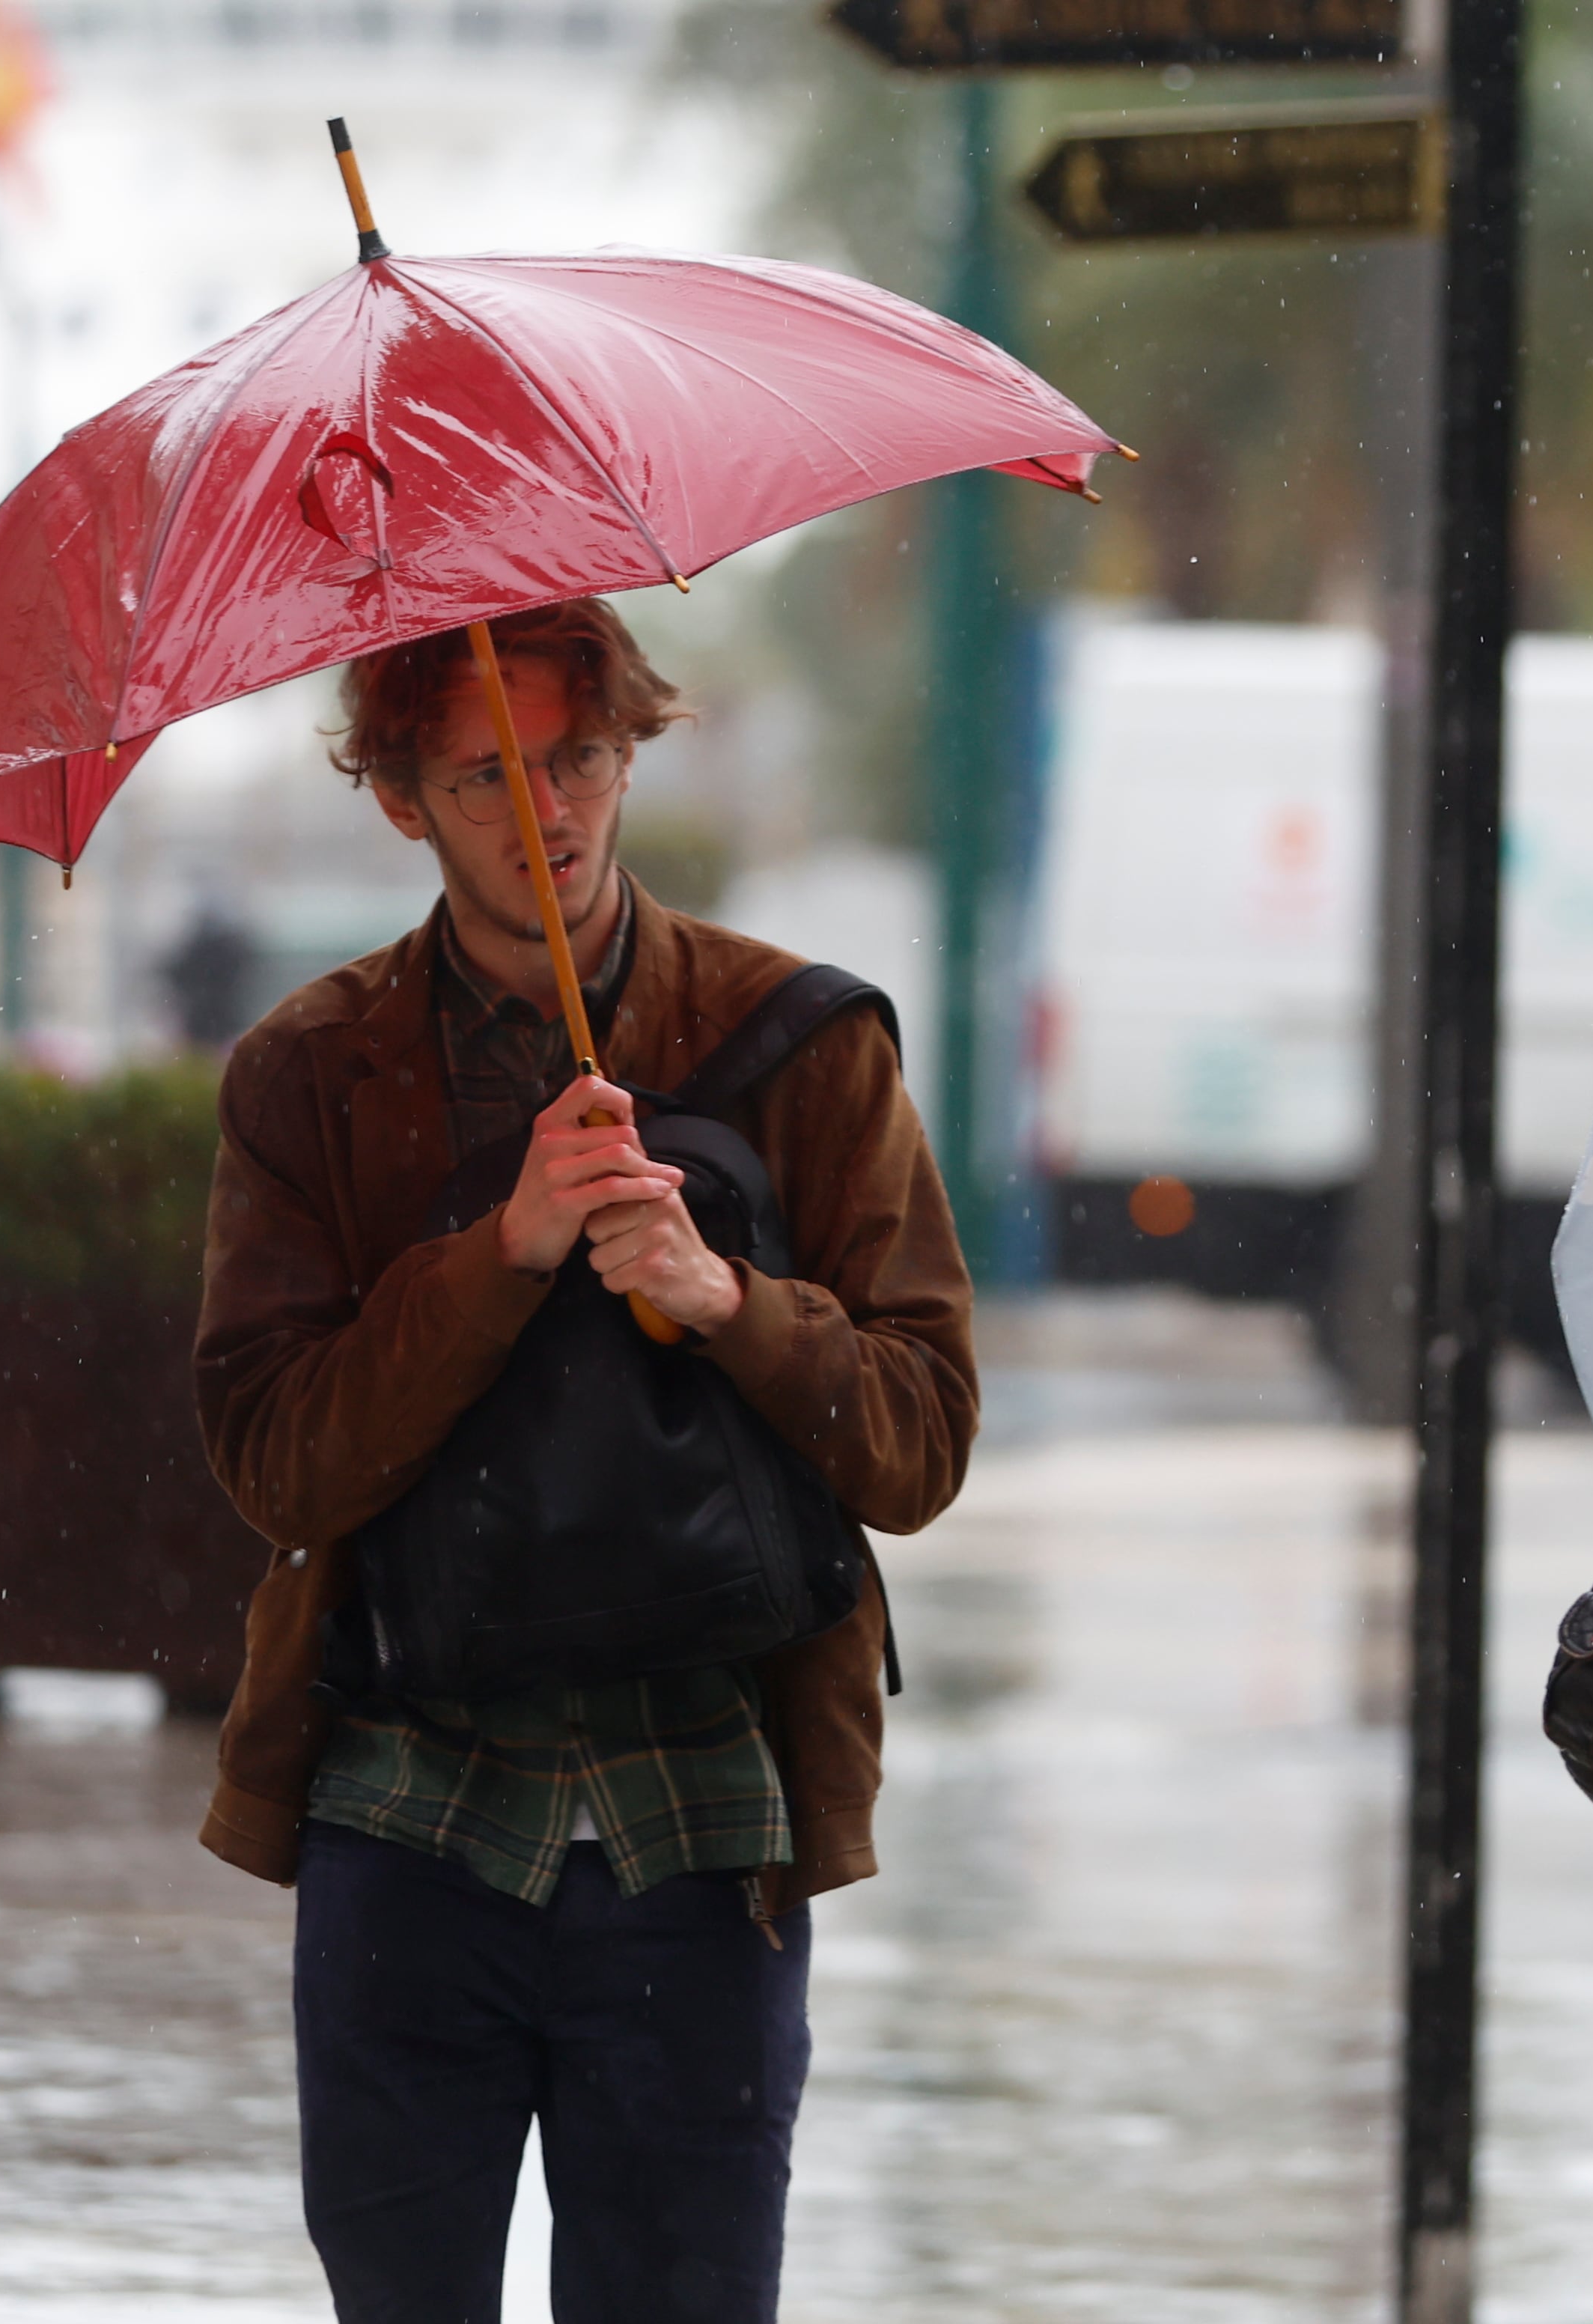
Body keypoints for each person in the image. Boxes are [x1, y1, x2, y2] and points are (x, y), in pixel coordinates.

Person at [189, 598, 975, 2323]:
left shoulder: (803, 1045)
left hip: (702, 1819)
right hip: (405, 1813)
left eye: (578, 758)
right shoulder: (312, 1079)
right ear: (399, 795)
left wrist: (724, 1297)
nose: (544, 812)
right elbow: (275, 1464)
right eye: (483, 774)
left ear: (631, 751)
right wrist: (501, 1253)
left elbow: (922, 1440)